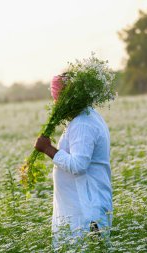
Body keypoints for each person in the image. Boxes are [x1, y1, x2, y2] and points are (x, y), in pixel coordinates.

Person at [34, 74, 113, 250]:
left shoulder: (82, 124)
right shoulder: (86, 117)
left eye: (58, 100)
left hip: (85, 208)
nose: (56, 106)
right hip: (79, 205)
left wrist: (48, 149)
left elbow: (78, 165)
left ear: (68, 99)